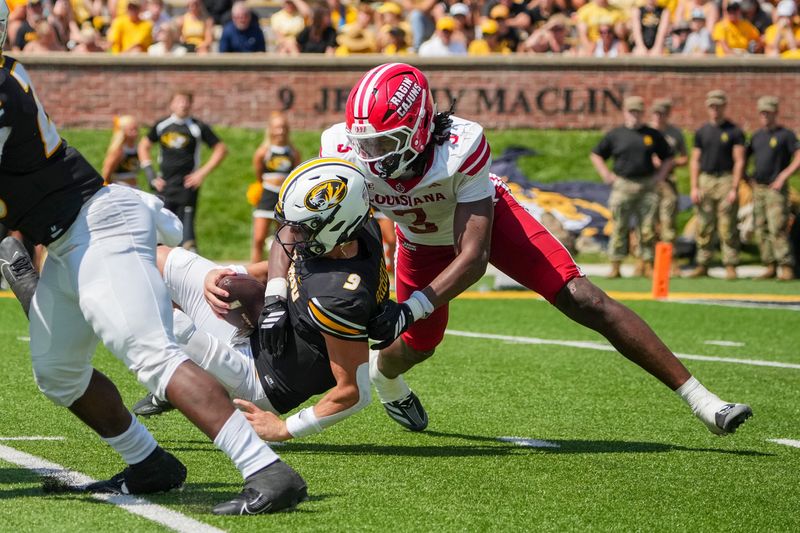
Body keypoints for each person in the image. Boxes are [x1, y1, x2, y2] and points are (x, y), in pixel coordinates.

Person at [248, 63, 753, 438]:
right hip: (417, 240)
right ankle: (387, 377)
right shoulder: (343, 147)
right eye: (366, 144)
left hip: (486, 224)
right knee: (418, 346)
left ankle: (701, 400)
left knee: (583, 297)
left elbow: (473, 256)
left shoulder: (460, 147)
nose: (370, 156)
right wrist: (273, 294)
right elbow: (294, 223)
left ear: (421, 128)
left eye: (384, 144)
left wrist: (413, 306)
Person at [0, 1, 306, 515]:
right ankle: (149, 462)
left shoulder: (4, 88)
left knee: (150, 351)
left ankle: (266, 469)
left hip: (96, 224)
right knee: (57, 372)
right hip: (69, 238)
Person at [134, 158, 388, 443]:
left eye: (302, 228)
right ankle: (189, 374)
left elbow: (355, 391)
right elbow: (296, 261)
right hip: (253, 329)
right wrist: (227, 275)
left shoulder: (338, 297)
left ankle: (174, 383)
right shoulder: (353, 232)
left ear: (336, 223)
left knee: (157, 317)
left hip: (257, 378)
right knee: (151, 257)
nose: (290, 234)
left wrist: (286, 429)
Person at [590, 96, 674, 279]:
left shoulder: (651, 134)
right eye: (631, 111)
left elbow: (668, 156)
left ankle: (646, 264)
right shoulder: (616, 134)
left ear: (642, 113)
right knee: (619, 226)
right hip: (623, 185)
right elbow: (596, 154)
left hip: (647, 185)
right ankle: (615, 265)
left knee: (648, 228)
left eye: (638, 111)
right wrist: (606, 174)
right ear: (625, 112)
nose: (634, 115)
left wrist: (661, 176)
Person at [139, 90, 228, 253]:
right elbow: (143, 146)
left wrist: (201, 173)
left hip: (187, 186)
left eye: (187, 101)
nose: (183, 104)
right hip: (163, 185)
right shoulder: (162, 125)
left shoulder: (197, 127)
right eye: (179, 100)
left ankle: (188, 266)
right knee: (161, 230)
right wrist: (151, 175)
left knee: (186, 231)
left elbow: (221, 148)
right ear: (172, 104)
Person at [687, 90, 745, 280]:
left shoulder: (734, 131)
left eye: (718, 106)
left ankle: (730, 264)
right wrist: (694, 186)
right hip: (706, 179)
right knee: (704, 224)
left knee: (727, 225)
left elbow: (739, 161)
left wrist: (735, 188)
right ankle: (703, 263)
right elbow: (695, 160)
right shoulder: (702, 131)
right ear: (707, 107)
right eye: (712, 106)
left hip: (725, 179)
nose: (715, 110)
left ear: (724, 107)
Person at [746, 96, 800, 281]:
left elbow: (798, 157)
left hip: (776, 189)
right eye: (762, 112)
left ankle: (786, 266)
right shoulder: (757, 136)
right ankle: (769, 264)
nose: (765, 116)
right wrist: (748, 179)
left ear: (776, 113)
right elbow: (742, 158)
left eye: (768, 112)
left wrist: (783, 176)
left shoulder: (786, 135)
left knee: (778, 227)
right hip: (759, 189)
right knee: (761, 228)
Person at [250, 111, 301, 263]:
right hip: (267, 194)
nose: (280, 131)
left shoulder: (293, 152)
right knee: (259, 238)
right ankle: (255, 272)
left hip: (284, 197)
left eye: (284, 128)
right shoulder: (263, 152)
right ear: (270, 129)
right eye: (277, 128)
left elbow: (296, 175)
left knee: (283, 239)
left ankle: (280, 271)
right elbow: (258, 174)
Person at [649, 98, 688, 263]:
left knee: (668, 222)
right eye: (656, 113)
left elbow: (685, 158)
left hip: (667, 182)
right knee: (647, 223)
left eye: (662, 113)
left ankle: (668, 262)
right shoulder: (645, 132)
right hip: (647, 182)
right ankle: (646, 262)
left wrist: (670, 162)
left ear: (668, 114)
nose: (659, 117)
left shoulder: (675, 133)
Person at [102, 115, 141, 187]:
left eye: (136, 129)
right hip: (121, 187)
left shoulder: (137, 148)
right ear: (123, 131)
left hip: (135, 187)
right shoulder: (118, 151)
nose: (135, 133)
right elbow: (107, 172)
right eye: (131, 130)